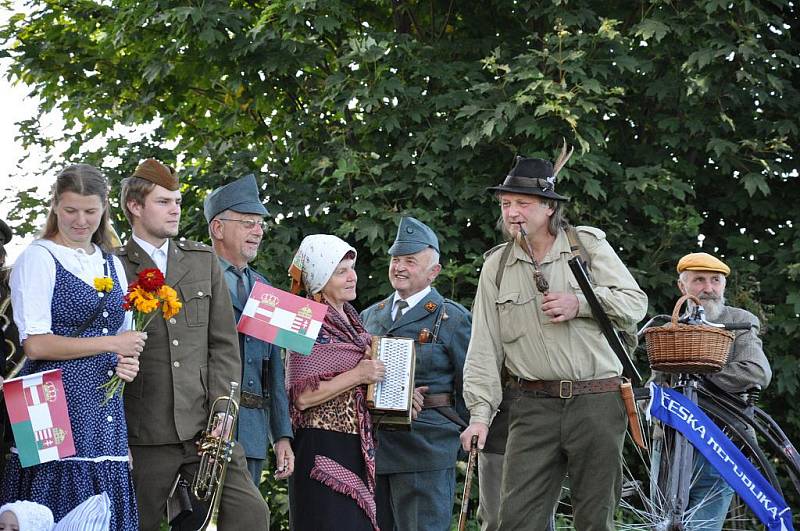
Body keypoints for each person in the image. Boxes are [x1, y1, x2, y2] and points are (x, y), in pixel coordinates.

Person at [460, 152, 648, 530]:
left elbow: (635, 303)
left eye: (522, 204)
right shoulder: (496, 266)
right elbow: (484, 346)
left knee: (594, 520)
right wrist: (479, 415)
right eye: (506, 204)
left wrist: (579, 303)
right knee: (516, 520)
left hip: (596, 400)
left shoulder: (586, 246)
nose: (512, 212)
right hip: (531, 405)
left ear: (548, 207)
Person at [116, 159, 268, 530]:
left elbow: (223, 345)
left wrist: (223, 415)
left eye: (178, 202)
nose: (175, 210)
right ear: (135, 206)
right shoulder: (114, 266)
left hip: (206, 426)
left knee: (252, 515)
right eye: (164, 202)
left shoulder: (201, 261)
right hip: (146, 432)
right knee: (142, 523)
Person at [0, 165, 141, 528]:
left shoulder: (111, 262)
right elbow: (34, 345)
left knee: (99, 507)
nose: (80, 220)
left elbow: (124, 340)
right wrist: (113, 344)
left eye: (90, 211)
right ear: (55, 207)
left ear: (104, 209)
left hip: (102, 403)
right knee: (49, 509)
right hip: (42, 399)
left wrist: (126, 362)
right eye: (70, 210)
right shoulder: (38, 257)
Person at [360, 216, 471, 531]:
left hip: (427, 449)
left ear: (434, 271)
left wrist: (454, 432)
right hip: (376, 449)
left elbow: (470, 386)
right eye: (396, 260)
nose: (400, 267)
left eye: (410, 260)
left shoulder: (452, 319)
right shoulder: (370, 316)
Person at [285, 234, 385, 531]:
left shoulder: (354, 323)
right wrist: (359, 374)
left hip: (354, 444)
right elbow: (301, 397)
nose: (352, 277)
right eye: (340, 271)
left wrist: (401, 396)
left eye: (352, 268)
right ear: (319, 278)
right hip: (319, 446)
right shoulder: (301, 319)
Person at [204, 173, 294, 489]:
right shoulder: (195, 277)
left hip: (252, 432)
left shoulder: (265, 288)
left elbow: (275, 370)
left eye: (260, 225)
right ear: (218, 228)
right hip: (204, 427)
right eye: (247, 223)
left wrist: (281, 435)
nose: (257, 232)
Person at [673, 252, 772, 530]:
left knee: (704, 524)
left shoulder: (740, 321)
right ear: (683, 287)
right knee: (665, 519)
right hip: (673, 441)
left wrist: (700, 379)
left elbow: (757, 371)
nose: (708, 288)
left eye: (715, 281)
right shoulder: (671, 326)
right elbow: (658, 383)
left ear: (724, 286)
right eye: (699, 280)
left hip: (721, 438)